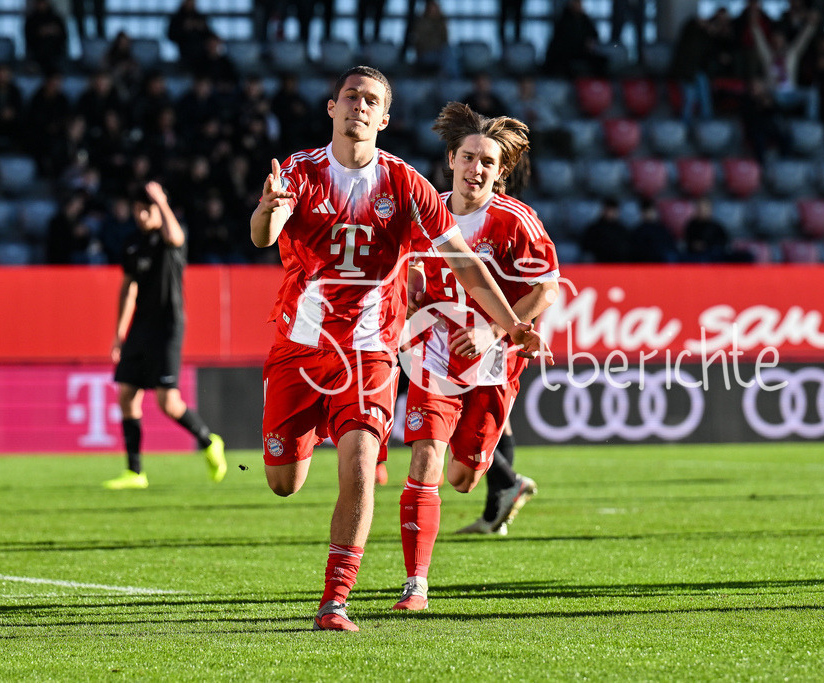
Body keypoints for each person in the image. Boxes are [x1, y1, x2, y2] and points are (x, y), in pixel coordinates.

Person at [249, 65, 545, 632]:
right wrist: (268, 210)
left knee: (361, 465)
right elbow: (265, 234)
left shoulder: (404, 183)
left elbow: (465, 261)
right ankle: (308, 432)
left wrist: (509, 324)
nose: (359, 106)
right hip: (299, 345)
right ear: (332, 108)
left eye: (371, 100)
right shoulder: (297, 172)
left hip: (368, 350)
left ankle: (335, 601)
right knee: (283, 482)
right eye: (350, 97)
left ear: (385, 118)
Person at [394, 101, 559, 610]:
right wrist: (412, 293)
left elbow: (547, 287)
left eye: (487, 162)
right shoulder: (427, 214)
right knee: (424, 460)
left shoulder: (514, 221)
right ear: (451, 159)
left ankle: (501, 484)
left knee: (463, 478)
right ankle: (416, 585)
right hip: (435, 355)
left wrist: (496, 331)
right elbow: (404, 269)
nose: (476, 168)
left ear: (500, 170)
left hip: (493, 360)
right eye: (468, 157)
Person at [103, 181, 227, 490]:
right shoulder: (133, 243)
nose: (142, 216)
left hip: (168, 327)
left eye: (148, 210)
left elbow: (176, 236)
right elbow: (127, 289)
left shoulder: (169, 236)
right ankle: (135, 472)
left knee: (167, 402)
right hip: (140, 328)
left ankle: (209, 441)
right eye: (138, 210)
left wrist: (161, 199)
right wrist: (119, 333)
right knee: (127, 396)